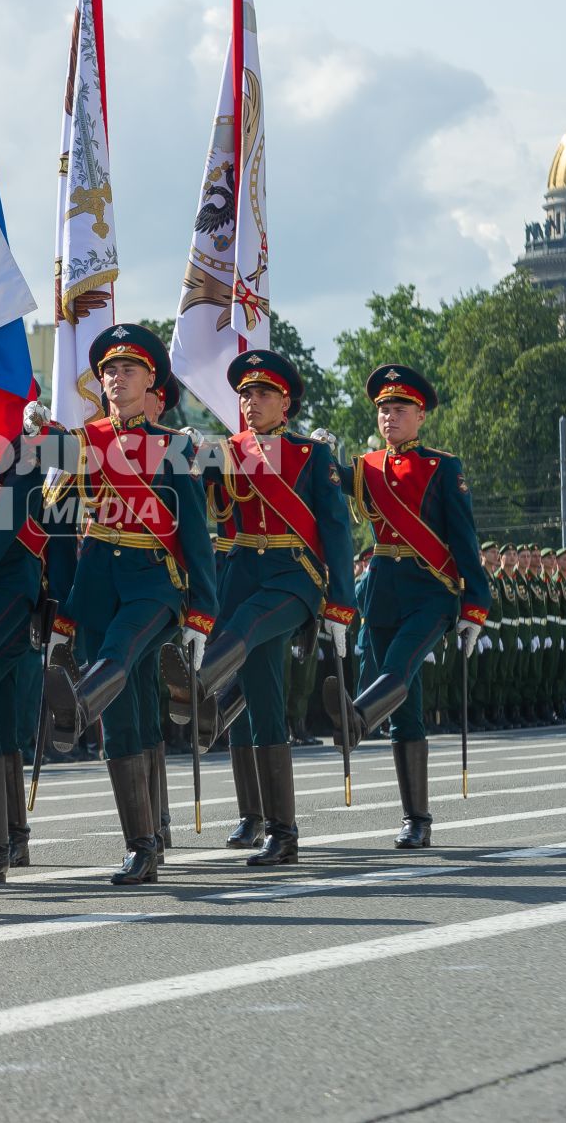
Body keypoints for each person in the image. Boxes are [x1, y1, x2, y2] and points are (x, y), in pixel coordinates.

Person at [17, 324, 220, 884]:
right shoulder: (83, 442)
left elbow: (196, 534)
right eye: (108, 370)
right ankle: (142, 843)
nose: (116, 378)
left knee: (124, 651)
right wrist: (59, 606)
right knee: (126, 720)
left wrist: (202, 611)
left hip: (155, 581)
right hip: (97, 579)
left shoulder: (176, 445)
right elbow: (56, 523)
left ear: (150, 379)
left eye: (128, 369)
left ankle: (74, 708)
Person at [183, 350, 354, 867]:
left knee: (246, 626)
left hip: (292, 578)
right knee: (262, 700)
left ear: (286, 402)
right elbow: (199, 501)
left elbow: (337, 533)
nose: (249, 402)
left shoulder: (311, 455)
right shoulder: (228, 450)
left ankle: (195, 685)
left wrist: (340, 606)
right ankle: (280, 831)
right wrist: (189, 459)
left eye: (261, 394)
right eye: (244, 395)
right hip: (241, 574)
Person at [318, 365, 490, 850]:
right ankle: (417, 818)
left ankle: (354, 721)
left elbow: (464, 538)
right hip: (382, 589)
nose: (389, 417)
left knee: (396, 668)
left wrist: (475, 606)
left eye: (398, 409)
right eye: (382, 409)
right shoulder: (365, 467)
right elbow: (322, 489)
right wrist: (318, 453)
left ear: (420, 416)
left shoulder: (442, 467)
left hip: (431, 591)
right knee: (404, 709)